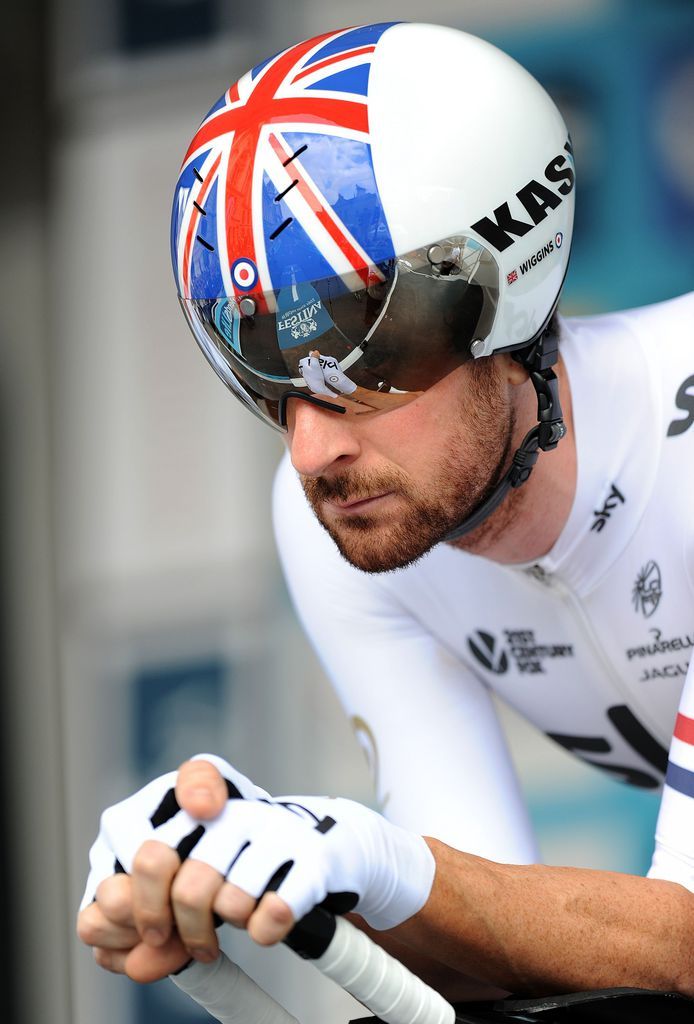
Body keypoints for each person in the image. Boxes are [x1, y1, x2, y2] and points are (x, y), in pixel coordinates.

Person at [77, 21, 694, 1001]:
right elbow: (498, 963)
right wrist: (241, 875)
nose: (314, 449)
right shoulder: (333, 518)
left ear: (508, 287)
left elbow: (684, 943)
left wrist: (375, 859)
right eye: (266, 370)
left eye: (365, 359)